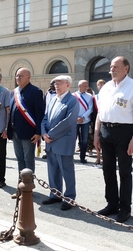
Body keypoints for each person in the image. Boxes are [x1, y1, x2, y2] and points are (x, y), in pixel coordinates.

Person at [94, 56, 133, 223]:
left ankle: (125, 208)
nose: (112, 69)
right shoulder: (106, 87)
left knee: (124, 171)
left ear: (126, 69)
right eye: (111, 66)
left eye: (116, 66)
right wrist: (96, 134)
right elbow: (100, 113)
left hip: (124, 132)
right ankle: (112, 204)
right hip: (105, 130)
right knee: (107, 169)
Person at [41, 75, 79, 211]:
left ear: (67, 85)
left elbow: (68, 122)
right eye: (55, 83)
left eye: (59, 83)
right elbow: (45, 118)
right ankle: (55, 194)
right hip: (50, 141)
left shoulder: (72, 101)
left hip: (63, 141)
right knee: (53, 170)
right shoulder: (52, 100)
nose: (56, 86)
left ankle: (69, 198)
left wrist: (50, 134)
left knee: (66, 170)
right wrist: (43, 132)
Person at [7, 68, 44, 197]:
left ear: (29, 77)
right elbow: (11, 112)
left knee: (28, 161)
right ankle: (20, 188)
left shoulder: (35, 92)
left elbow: (40, 113)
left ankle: (28, 189)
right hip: (15, 132)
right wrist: (9, 130)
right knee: (20, 161)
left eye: (21, 76)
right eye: (17, 76)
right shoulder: (14, 93)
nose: (18, 78)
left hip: (29, 133)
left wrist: (39, 132)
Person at [73, 80, 93, 164]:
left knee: (84, 140)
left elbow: (91, 108)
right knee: (73, 139)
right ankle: (70, 157)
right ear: (79, 86)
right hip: (74, 121)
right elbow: (71, 108)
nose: (86, 87)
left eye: (87, 85)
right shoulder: (73, 96)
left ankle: (82, 157)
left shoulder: (90, 96)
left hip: (85, 121)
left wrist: (83, 117)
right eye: (84, 85)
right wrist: (76, 117)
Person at [42, 80, 57, 159]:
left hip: (55, 117)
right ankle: (47, 152)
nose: (51, 86)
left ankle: (54, 152)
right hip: (47, 116)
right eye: (51, 84)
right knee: (46, 135)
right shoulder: (47, 93)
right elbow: (44, 105)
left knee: (54, 135)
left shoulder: (58, 94)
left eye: (53, 84)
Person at [92, 79, 105, 164]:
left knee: (103, 140)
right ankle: (98, 157)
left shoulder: (108, 95)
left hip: (104, 119)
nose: (101, 86)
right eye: (99, 85)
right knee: (96, 139)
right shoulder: (95, 97)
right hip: (96, 119)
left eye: (102, 84)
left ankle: (104, 157)